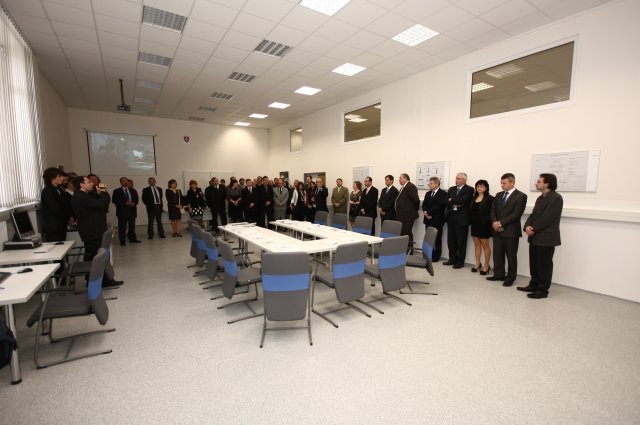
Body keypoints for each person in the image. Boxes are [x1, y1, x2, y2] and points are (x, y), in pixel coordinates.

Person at [71, 175, 122, 287]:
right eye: (88, 182)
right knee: (96, 257)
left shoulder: (84, 195)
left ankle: (96, 281)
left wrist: (99, 194)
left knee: (94, 256)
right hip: (92, 231)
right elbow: (101, 204)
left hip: (93, 230)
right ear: (82, 184)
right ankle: (98, 282)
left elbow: (97, 205)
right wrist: (103, 192)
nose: (92, 184)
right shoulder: (82, 196)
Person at [519, 173, 563, 299]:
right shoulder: (541, 198)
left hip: (546, 238)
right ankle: (533, 285)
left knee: (544, 265)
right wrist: (527, 226)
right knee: (534, 263)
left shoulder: (556, 198)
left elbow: (548, 218)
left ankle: (542, 290)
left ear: (547, 184)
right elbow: (533, 215)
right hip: (535, 237)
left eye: (539, 181)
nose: (536, 183)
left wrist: (533, 228)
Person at [488, 173, 527, 286]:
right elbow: (493, 210)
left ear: (512, 182)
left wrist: (500, 223)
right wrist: (494, 222)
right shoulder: (499, 195)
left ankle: (510, 277)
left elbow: (516, 214)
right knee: (497, 254)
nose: (502, 185)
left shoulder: (521, 196)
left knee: (511, 256)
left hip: (511, 231)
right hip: (497, 230)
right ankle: (498, 274)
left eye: (504, 183)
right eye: (501, 183)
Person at [444, 172, 474, 269]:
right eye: (456, 178)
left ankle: (460, 262)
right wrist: (455, 202)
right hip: (451, 216)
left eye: (458, 179)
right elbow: (445, 201)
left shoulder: (469, 189)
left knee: (461, 241)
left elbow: (463, 200)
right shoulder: (451, 189)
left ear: (464, 180)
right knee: (451, 240)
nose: (456, 180)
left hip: (462, 218)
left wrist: (452, 200)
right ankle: (452, 259)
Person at [469, 180, 494, 275]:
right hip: (475, 224)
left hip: (485, 225)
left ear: (486, 188)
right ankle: (477, 264)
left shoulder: (490, 198)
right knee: (477, 244)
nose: (479, 188)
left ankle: (486, 266)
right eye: (478, 186)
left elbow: (492, 212)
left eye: (482, 186)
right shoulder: (473, 197)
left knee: (485, 244)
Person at [422, 177, 447, 262]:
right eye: (429, 183)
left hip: (437, 220)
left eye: (431, 183)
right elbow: (424, 204)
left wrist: (429, 213)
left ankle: (436, 256)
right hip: (428, 219)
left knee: (437, 239)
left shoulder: (443, 193)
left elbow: (439, 206)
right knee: (428, 238)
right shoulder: (428, 193)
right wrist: (425, 212)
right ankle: (429, 254)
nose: (429, 185)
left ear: (437, 184)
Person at [40, 167, 68, 242]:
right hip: (53, 227)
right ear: (52, 178)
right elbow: (55, 208)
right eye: (59, 176)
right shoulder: (47, 191)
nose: (62, 178)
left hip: (61, 225)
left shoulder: (59, 189)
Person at [112, 176, 141, 246]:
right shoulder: (117, 191)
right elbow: (114, 200)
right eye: (123, 181)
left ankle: (132, 239)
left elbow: (136, 200)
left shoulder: (133, 190)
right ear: (121, 182)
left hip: (132, 211)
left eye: (126, 181)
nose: (125, 182)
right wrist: (125, 203)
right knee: (122, 227)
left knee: (132, 226)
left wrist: (134, 203)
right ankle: (122, 240)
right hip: (122, 211)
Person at [394, 173, 420, 248]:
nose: (399, 180)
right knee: (402, 233)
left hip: (408, 215)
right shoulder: (403, 187)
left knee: (407, 233)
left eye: (400, 178)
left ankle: (409, 250)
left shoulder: (410, 186)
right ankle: (402, 249)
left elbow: (416, 200)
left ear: (406, 179)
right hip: (402, 215)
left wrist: (413, 211)